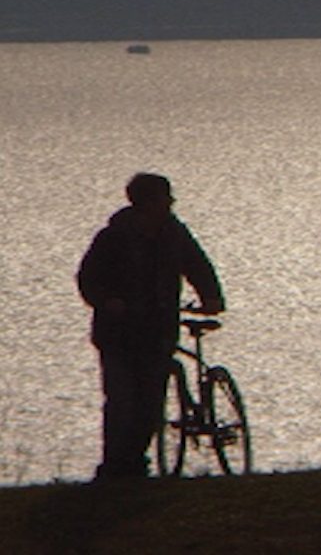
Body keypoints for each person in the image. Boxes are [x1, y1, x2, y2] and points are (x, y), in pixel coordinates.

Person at [77, 173, 225, 480]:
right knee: (121, 401)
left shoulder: (174, 234)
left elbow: (197, 264)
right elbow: (88, 278)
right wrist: (107, 301)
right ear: (147, 202)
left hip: (157, 330)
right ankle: (115, 466)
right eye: (164, 197)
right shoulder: (113, 238)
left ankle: (134, 462)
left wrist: (211, 296)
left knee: (149, 403)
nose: (171, 203)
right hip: (119, 334)